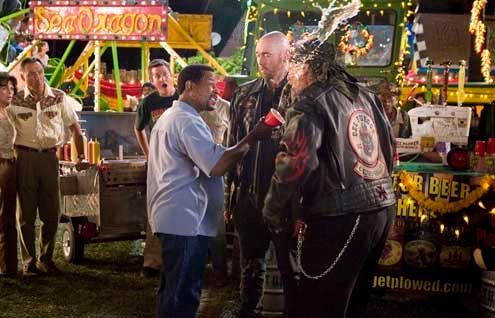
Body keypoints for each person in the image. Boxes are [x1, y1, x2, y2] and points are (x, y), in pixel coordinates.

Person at [262, 35, 396, 317]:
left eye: (293, 67)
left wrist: (272, 209)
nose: (290, 76)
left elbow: (297, 162)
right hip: (381, 208)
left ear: (307, 68)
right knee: (352, 301)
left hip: (340, 216)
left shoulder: (309, 102)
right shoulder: (365, 94)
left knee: (320, 305)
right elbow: (388, 149)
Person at [147, 64, 273, 318]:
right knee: (183, 295)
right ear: (190, 86)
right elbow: (216, 165)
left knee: (173, 290)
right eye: (210, 84)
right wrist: (254, 136)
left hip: (178, 219)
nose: (215, 91)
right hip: (184, 221)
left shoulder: (175, 117)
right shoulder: (185, 121)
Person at [224, 31, 298, 318]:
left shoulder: (300, 95)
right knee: (250, 265)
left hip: (286, 200)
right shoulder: (244, 94)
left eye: (267, 54)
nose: (261, 60)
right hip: (250, 196)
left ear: (285, 56)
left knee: (290, 264)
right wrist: (231, 198)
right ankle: (248, 310)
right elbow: (233, 146)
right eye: (258, 54)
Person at [6, 57, 88, 275]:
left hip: (51, 158)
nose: (37, 77)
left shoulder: (59, 97)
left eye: (40, 72)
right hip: (23, 157)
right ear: (23, 77)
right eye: (31, 74)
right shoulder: (14, 101)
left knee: (52, 212)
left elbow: (75, 129)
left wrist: (80, 156)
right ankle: (29, 262)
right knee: (25, 214)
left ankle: (47, 259)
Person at [134, 59, 177, 277]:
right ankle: (151, 261)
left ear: (171, 75)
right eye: (157, 76)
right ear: (152, 80)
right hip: (158, 164)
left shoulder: (182, 98)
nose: (162, 78)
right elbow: (139, 129)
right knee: (156, 210)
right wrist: (149, 154)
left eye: (164, 74)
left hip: (181, 164)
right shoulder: (147, 103)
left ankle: (176, 259)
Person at [200, 95, 230, 286]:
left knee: (216, 222)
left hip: (217, 169)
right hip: (193, 169)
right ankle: (198, 267)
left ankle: (220, 270)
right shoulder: (192, 106)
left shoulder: (225, 107)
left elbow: (233, 135)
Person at [0, 72, 17, 276]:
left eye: (12, 89)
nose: (9, 92)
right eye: (4, 88)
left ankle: (9, 265)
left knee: (8, 216)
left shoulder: (9, 112)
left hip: (10, 165)